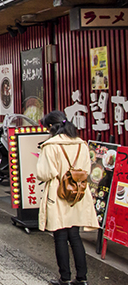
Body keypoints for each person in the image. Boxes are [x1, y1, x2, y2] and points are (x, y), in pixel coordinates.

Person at [36, 110, 98, 285]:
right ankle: (82, 278)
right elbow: (86, 169)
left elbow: (44, 173)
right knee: (75, 236)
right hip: (78, 193)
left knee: (60, 236)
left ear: (50, 127)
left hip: (58, 193)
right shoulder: (81, 144)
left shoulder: (50, 146)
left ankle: (64, 278)